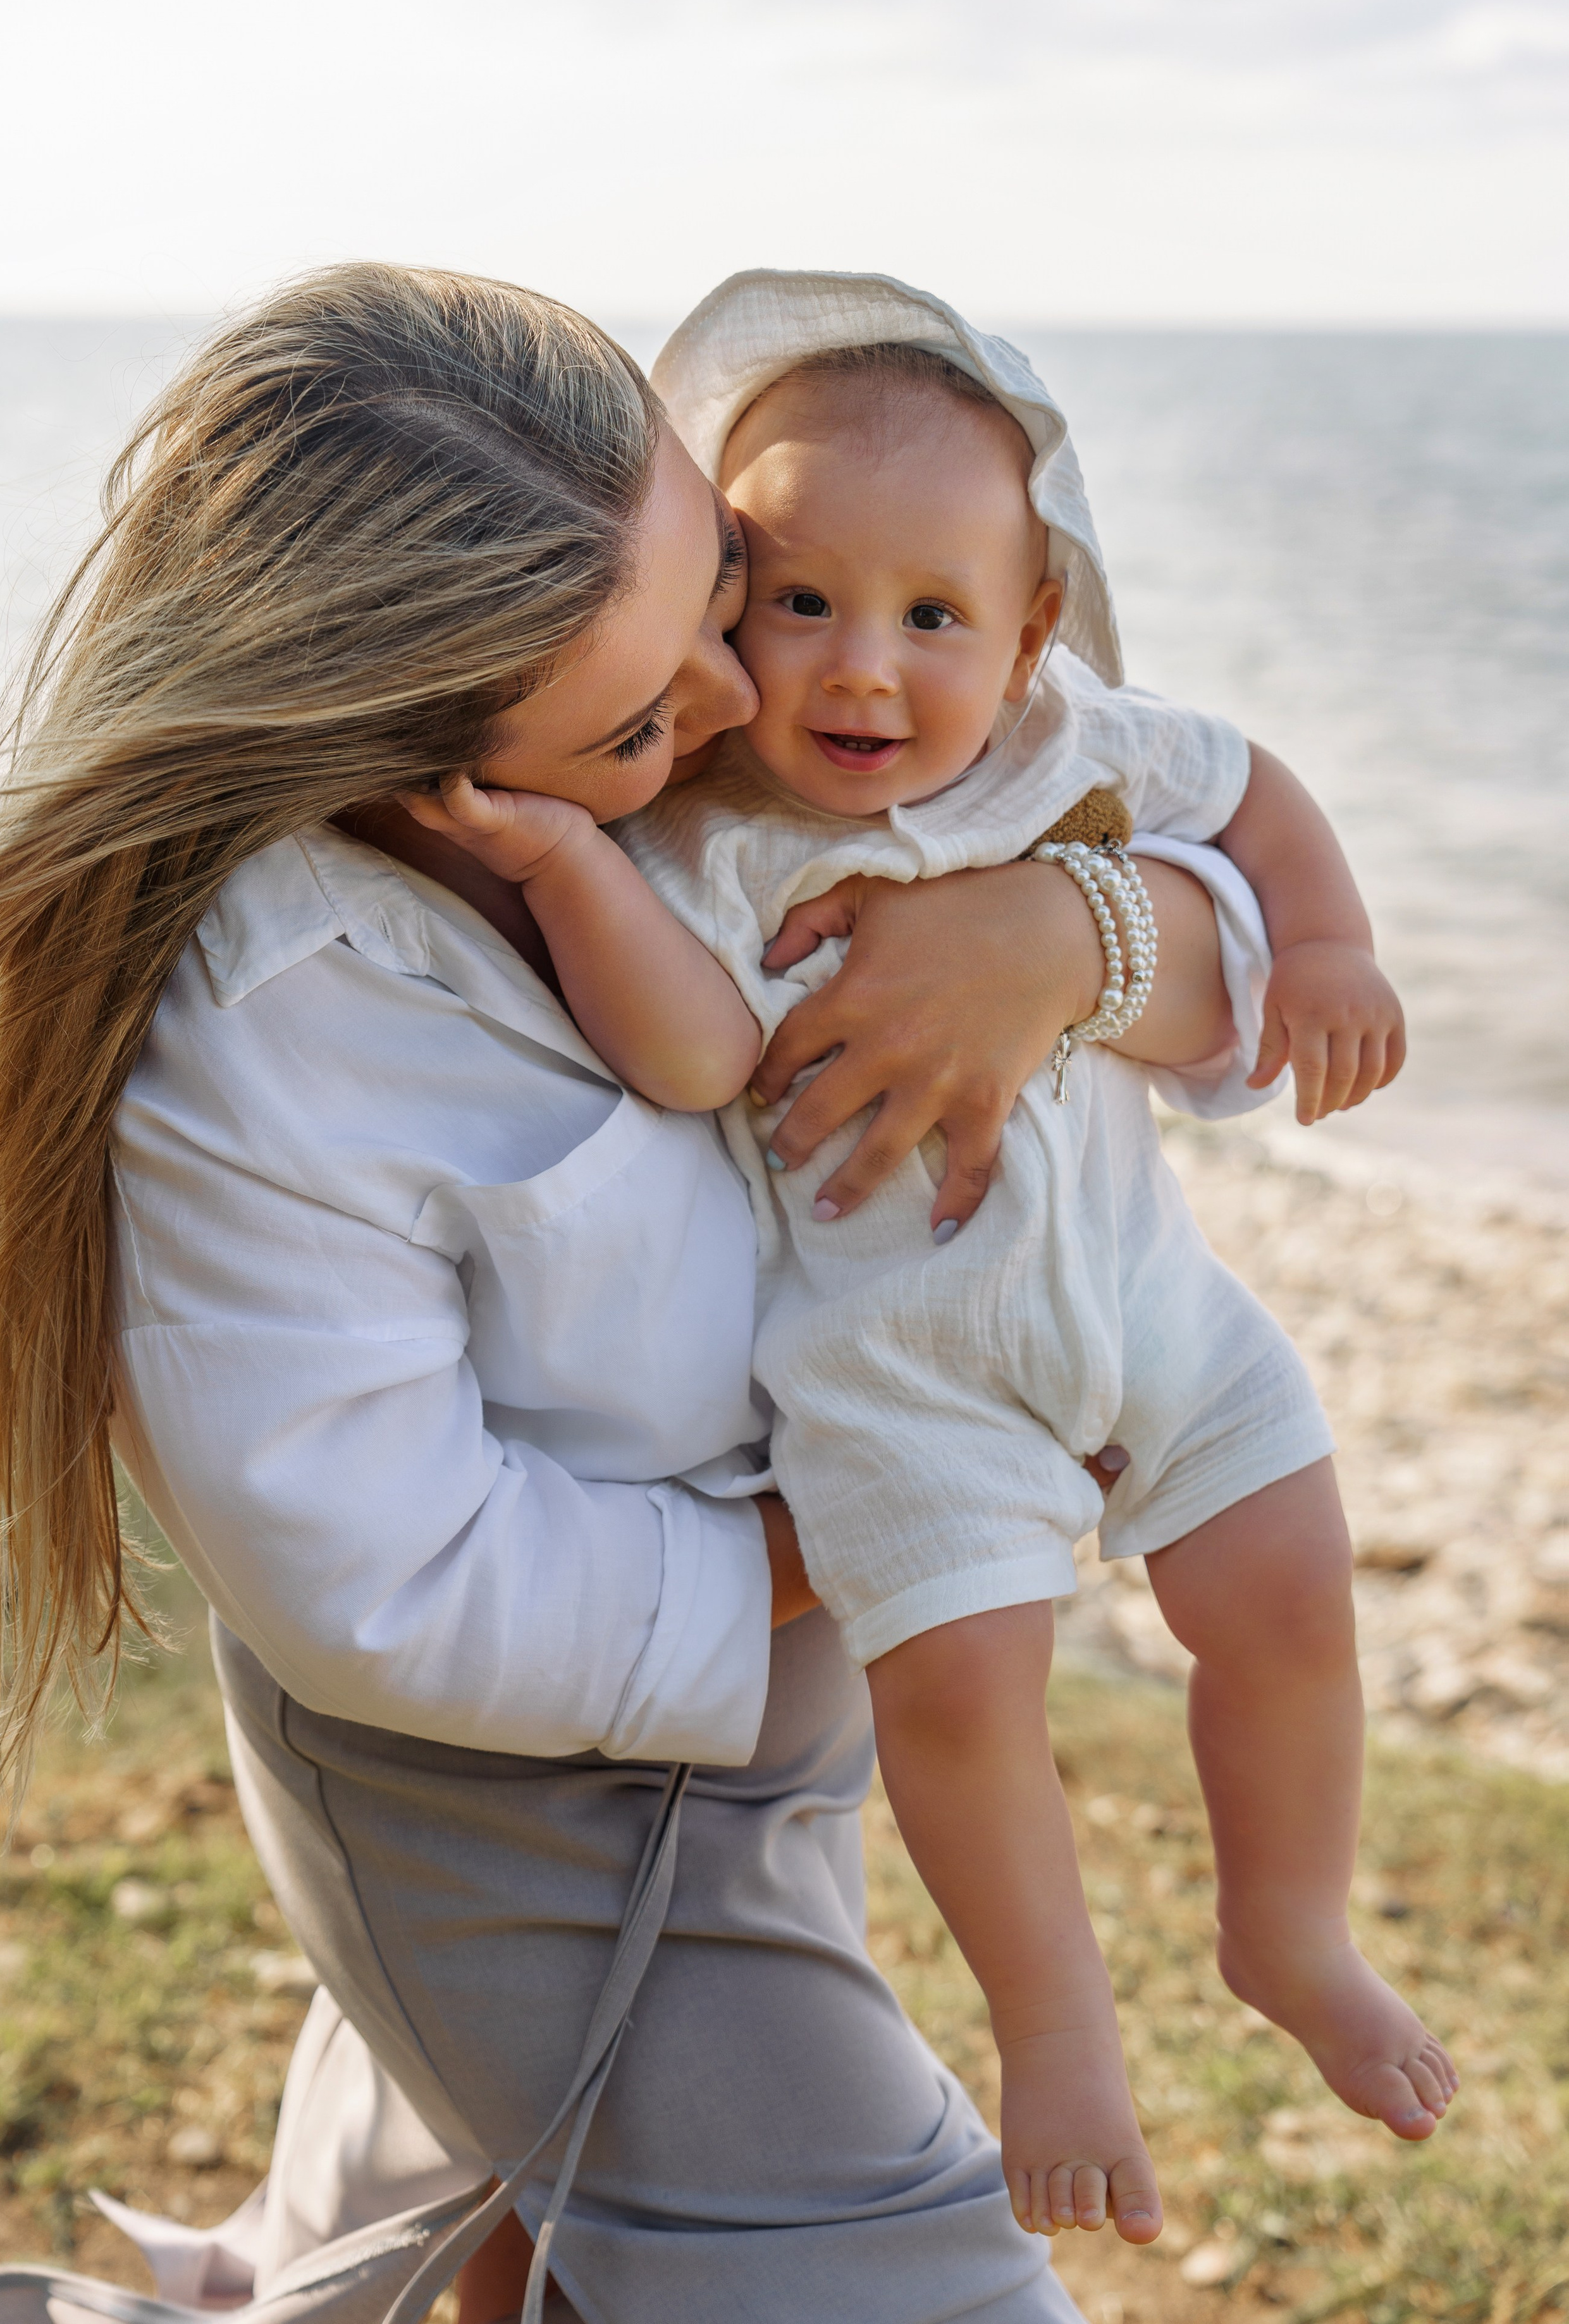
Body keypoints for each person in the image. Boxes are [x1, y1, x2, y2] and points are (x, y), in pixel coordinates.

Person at [0, 264, 1254, 2324]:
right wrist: (863, 1531)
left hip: (760, 1760)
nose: (752, 698)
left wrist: (1075, 928)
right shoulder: (280, 1028)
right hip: (525, 1814)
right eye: (650, 714)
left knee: (516, 2254)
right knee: (901, 2282)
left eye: (724, 594)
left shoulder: (683, 750)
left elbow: (1228, 960)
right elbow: (390, 1580)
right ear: (414, 772)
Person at [406, 271, 1456, 2255]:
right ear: (718, 610)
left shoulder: (1066, 747)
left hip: (1159, 1315)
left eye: (933, 617)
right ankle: (1058, 2036)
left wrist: (1321, 945)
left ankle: (1287, 1930)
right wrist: (555, 865)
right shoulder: (696, 842)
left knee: (1295, 1597)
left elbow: (1249, 787)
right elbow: (697, 1054)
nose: (863, 672)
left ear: (1034, 625)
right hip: (906, 1383)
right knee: (970, 1704)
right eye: (800, 601)